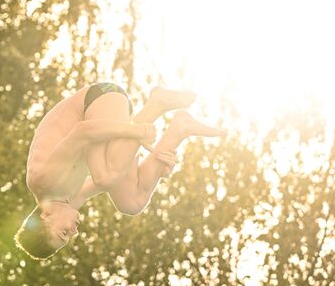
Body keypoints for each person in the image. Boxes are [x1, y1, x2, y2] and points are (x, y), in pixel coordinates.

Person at [14, 83, 226, 260]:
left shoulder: (42, 180)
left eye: (64, 233)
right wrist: (160, 168)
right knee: (131, 203)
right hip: (103, 127)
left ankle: (156, 105)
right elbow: (116, 175)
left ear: (46, 215)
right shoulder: (65, 200)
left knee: (105, 176)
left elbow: (82, 131)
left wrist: (139, 131)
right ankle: (181, 128)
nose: (74, 232)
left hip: (99, 99)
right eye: (68, 237)